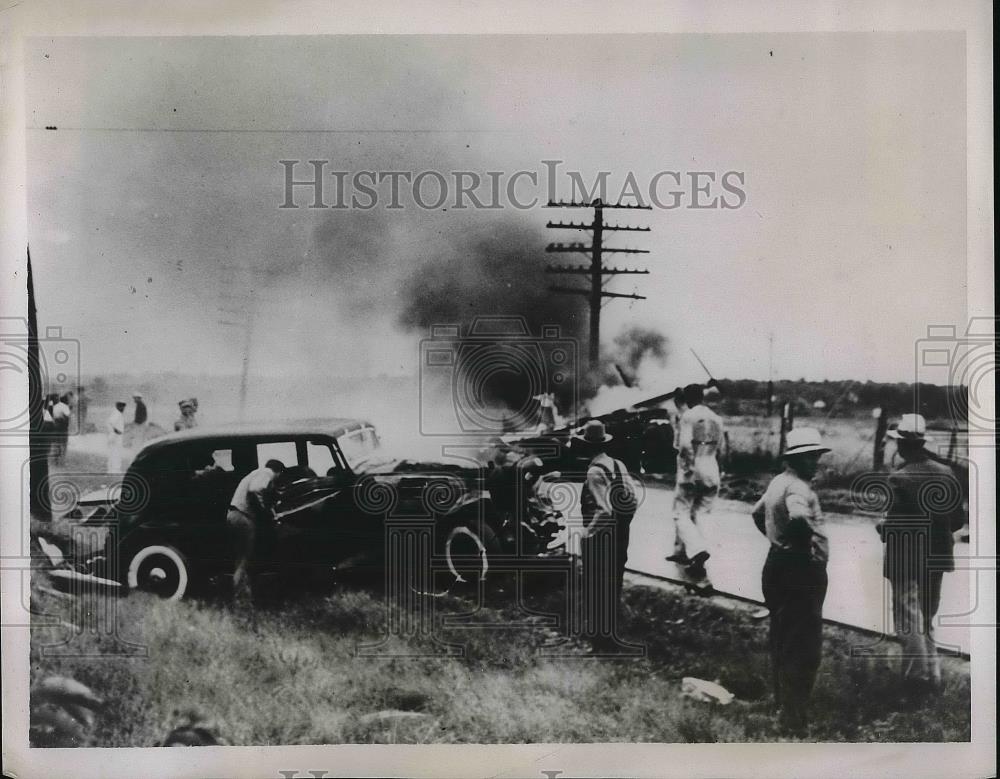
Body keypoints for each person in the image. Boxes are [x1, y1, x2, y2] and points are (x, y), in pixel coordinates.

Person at [878, 413, 965, 702]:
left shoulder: (899, 478)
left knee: (908, 619)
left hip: (906, 559)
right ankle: (933, 677)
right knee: (926, 618)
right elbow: (955, 521)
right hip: (937, 557)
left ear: (903, 445)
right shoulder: (946, 473)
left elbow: (892, 525)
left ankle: (917, 682)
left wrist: (883, 527)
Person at [750, 427, 830, 735]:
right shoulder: (798, 488)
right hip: (801, 569)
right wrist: (803, 548)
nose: (816, 463)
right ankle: (794, 720)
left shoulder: (777, 482)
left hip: (777, 564)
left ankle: (783, 707)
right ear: (797, 459)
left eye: (817, 456)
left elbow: (757, 514)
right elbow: (798, 517)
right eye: (811, 457)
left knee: (782, 637)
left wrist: (777, 542)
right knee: (804, 645)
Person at [576, 419, 639, 650]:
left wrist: (587, 533)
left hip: (601, 537)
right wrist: (624, 524)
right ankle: (609, 636)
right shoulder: (618, 465)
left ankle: (599, 641)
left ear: (586, 446)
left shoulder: (594, 471)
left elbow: (604, 510)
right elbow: (631, 499)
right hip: (621, 533)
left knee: (595, 586)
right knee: (613, 584)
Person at [666, 383, 725, 589]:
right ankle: (693, 553)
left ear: (688, 399)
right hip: (712, 468)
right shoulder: (717, 418)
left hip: (693, 470)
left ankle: (698, 550)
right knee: (702, 513)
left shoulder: (688, 417)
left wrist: (689, 468)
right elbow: (722, 449)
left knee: (680, 512)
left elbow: (684, 445)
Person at [226, 459, 286, 625]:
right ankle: (240, 600)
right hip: (243, 517)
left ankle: (241, 596)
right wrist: (266, 514)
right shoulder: (265, 473)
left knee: (241, 558)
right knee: (244, 560)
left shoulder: (254, 473)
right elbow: (255, 490)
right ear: (278, 472)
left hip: (234, 515)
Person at [105, 401, 126, 472]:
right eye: (122, 407)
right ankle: (115, 469)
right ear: (118, 407)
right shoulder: (117, 414)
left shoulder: (116, 413)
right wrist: (117, 431)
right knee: (116, 452)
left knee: (113, 452)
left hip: (114, 435)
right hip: (115, 436)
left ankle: (112, 469)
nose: (123, 408)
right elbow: (110, 423)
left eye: (123, 407)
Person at [51, 393, 71, 465]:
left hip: (55, 426)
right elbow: (67, 416)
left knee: (56, 444)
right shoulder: (64, 406)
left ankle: (56, 460)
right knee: (63, 444)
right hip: (62, 426)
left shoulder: (53, 407)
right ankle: (62, 461)